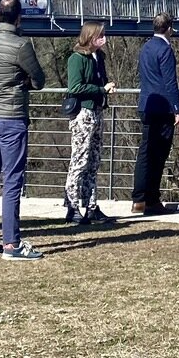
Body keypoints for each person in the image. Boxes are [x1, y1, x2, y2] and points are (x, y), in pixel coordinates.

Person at [0, 0, 47, 260]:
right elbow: (39, 79)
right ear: (19, 18)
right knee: (13, 180)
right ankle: (11, 244)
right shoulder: (21, 45)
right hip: (12, 117)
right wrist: (23, 84)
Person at [62, 21, 115, 226]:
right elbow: (75, 86)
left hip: (97, 112)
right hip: (83, 113)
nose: (103, 39)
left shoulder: (98, 57)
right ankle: (72, 205)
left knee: (93, 161)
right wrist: (101, 90)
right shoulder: (77, 58)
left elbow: (101, 80)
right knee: (79, 160)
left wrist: (106, 89)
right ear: (90, 37)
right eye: (99, 35)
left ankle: (91, 206)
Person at [133, 13, 179, 215]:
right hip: (162, 108)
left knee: (145, 153)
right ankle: (152, 199)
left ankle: (139, 198)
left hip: (146, 104)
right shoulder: (165, 50)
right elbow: (170, 82)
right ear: (169, 28)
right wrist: (177, 108)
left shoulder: (145, 48)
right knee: (159, 154)